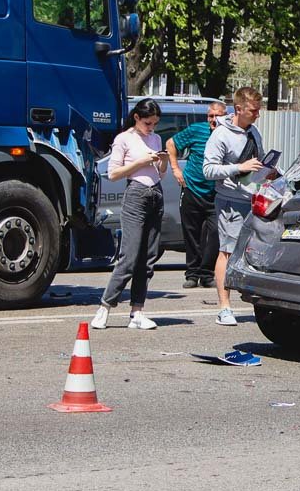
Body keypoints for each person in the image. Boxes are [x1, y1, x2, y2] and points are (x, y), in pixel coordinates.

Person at [90, 99, 167, 331]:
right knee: (130, 256)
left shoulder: (155, 138)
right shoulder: (124, 138)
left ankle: (137, 311)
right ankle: (105, 307)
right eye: (147, 123)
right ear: (136, 117)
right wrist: (141, 162)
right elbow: (113, 173)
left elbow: (161, 175)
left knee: (148, 257)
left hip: (156, 193)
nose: (151, 128)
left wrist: (162, 162)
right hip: (135, 194)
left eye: (154, 123)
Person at [203, 87, 264, 326]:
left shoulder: (253, 131)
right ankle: (224, 308)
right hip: (230, 200)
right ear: (238, 109)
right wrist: (238, 168)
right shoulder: (221, 135)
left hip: (252, 198)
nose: (256, 115)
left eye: (258, 111)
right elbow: (208, 170)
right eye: (252, 111)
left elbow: (255, 162)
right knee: (227, 251)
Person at [166, 100, 226, 289]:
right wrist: (175, 169)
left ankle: (206, 273)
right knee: (191, 232)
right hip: (192, 187)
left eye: (218, 116)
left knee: (215, 232)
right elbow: (171, 143)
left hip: (215, 192)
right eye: (211, 116)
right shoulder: (197, 130)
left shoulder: (228, 134)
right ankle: (192, 274)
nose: (214, 120)